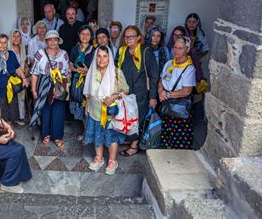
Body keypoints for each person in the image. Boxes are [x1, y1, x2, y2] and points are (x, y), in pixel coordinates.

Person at [83, 46, 129, 175]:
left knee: (111, 137)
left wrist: (113, 97)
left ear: (109, 58)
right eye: (99, 56)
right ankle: (99, 158)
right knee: (97, 134)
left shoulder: (116, 72)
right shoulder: (92, 72)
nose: (101, 59)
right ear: (95, 58)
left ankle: (112, 161)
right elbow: (88, 93)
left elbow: (125, 90)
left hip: (111, 113)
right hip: (94, 110)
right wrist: (87, 106)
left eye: (105, 56)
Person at [116, 26, 159, 156]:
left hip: (141, 93)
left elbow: (154, 75)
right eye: (126, 36)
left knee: (137, 118)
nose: (128, 39)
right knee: (128, 117)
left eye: (131, 36)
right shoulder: (122, 51)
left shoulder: (145, 51)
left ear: (138, 37)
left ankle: (135, 146)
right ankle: (131, 140)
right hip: (125, 92)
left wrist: (152, 96)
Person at [31, 30, 70, 150]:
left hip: (59, 84)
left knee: (58, 110)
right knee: (46, 109)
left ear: (58, 41)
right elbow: (34, 73)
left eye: (55, 39)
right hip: (44, 84)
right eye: (50, 39)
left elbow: (67, 72)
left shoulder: (64, 54)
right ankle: (46, 134)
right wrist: (34, 89)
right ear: (46, 41)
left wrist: (66, 88)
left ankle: (57, 136)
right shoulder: (40, 53)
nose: (53, 41)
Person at [0, 34, 29, 125]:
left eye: (5, 42)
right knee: (1, 111)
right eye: (0, 42)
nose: (2, 45)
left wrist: (24, 79)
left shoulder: (11, 54)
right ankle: (4, 129)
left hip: (9, 88)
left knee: (12, 108)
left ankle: (9, 127)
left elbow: (17, 68)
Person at [158, 36, 196, 149]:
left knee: (178, 137)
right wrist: (160, 91)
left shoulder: (189, 68)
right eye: (175, 47)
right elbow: (161, 80)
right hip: (165, 102)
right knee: (165, 133)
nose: (177, 50)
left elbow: (187, 90)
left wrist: (168, 95)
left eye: (180, 48)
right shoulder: (169, 63)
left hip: (178, 106)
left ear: (187, 49)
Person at [69, 25, 95, 138]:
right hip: (77, 81)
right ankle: (86, 132)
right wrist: (76, 69)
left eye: (87, 34)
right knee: (80, 107)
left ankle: (91, 133)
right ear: (79, 35)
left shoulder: (94, 50)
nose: (85, 36)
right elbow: (70, 64)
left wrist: (87, 70)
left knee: (89, 107)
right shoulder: (75, 49)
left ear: (91, 36)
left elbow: (98, 68)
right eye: (82, 34)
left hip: (89, 81)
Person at [8, 29, 29, 125]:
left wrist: (25, 68)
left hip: (21, 76)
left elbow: (24, 62)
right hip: (11, 77)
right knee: (11, 97)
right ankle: (12, 118)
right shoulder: (8, 49)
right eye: (14, 36)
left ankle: (20, 117)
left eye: (18, 36)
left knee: (21, 97)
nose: (16, 38)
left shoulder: (22, 48)